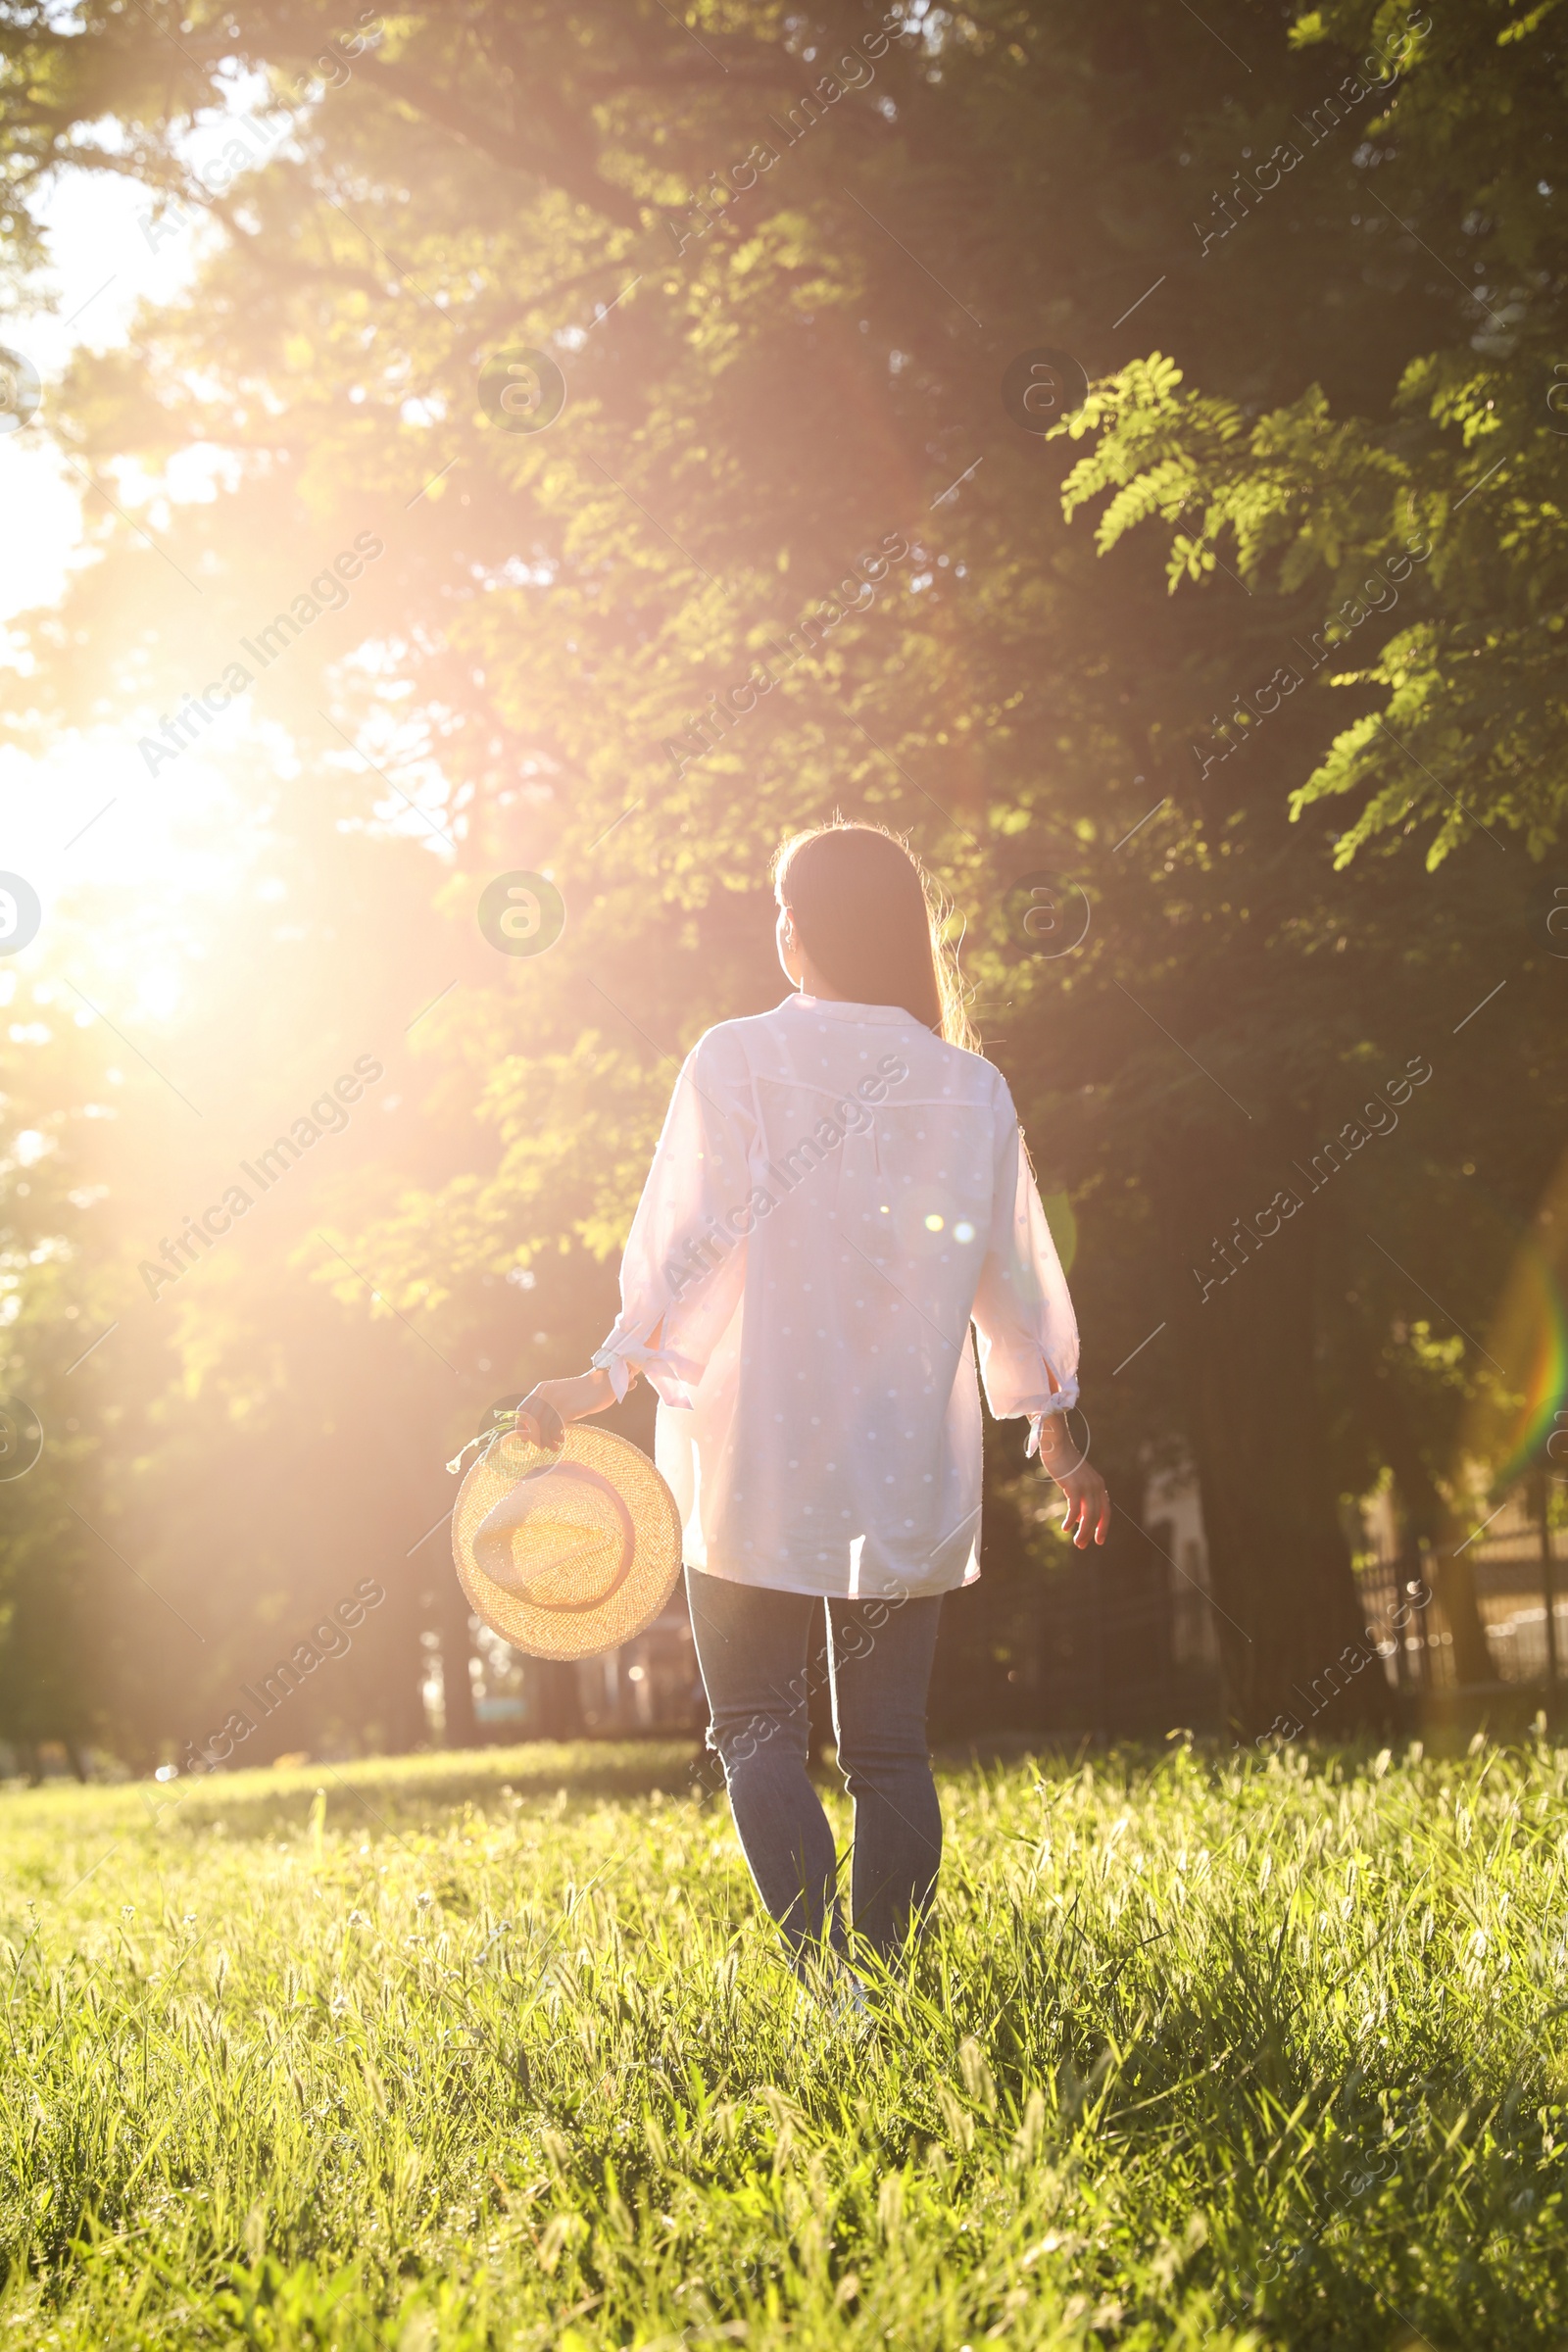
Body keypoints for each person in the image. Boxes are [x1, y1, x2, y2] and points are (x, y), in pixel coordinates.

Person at [514, 821, 1106, 1973]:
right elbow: (1016, 1272)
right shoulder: (968, 1085)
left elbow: (690, 1248)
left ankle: (826, 1987)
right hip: (901, 1461)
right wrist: (1052, 1428)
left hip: (751, 1447)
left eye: (784, 905)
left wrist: (608, 1373)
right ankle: (881, 1988)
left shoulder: (733, 1058)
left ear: (810, 925)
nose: (777, 926)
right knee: (889, 1749)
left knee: (754, 1730)